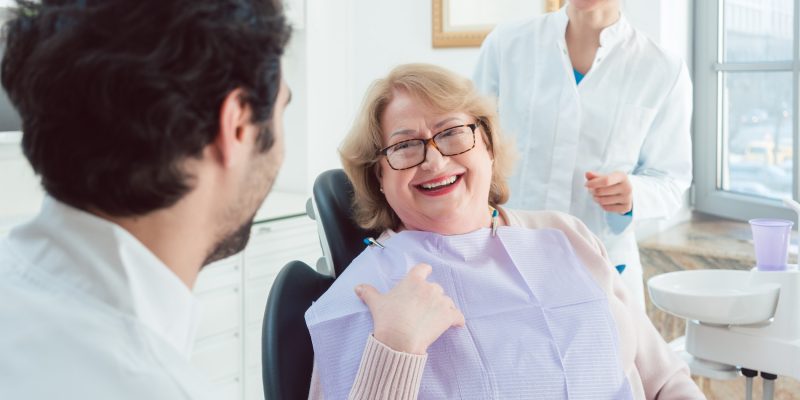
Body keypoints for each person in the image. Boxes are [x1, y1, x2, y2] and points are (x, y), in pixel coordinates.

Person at [305, 63, 704, 399]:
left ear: (489, 147)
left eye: (451, 133)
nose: (435, 160)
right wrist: (393, 348)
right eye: (405, 146)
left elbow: (666, 380)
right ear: (378, 176)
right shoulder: (364, 294)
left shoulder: (567, 235)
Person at [472, 0, 693, 308]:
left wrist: (633, 194)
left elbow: (671, 180)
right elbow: (471, 145)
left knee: (611, 354)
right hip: (507, 252)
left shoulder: (662, 68)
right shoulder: (507, 44)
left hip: (603, 262)